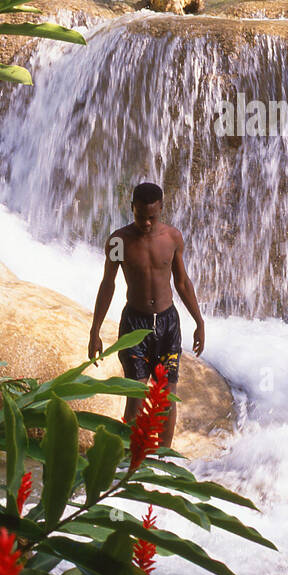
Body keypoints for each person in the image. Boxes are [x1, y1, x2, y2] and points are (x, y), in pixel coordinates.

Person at [88, 182, 205, 448]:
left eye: (152, 217)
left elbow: (183, 283)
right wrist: (94, 332)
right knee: (136, 397)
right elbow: (108, 283)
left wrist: (199, 321)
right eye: (141, 217)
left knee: (165, 398)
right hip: (135, 325)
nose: (147, 223)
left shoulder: (172, 238)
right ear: (132, 209)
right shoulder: (119, 241)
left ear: (161, 209)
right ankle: (131, 463)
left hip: (167, 324)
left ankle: (163, 461)